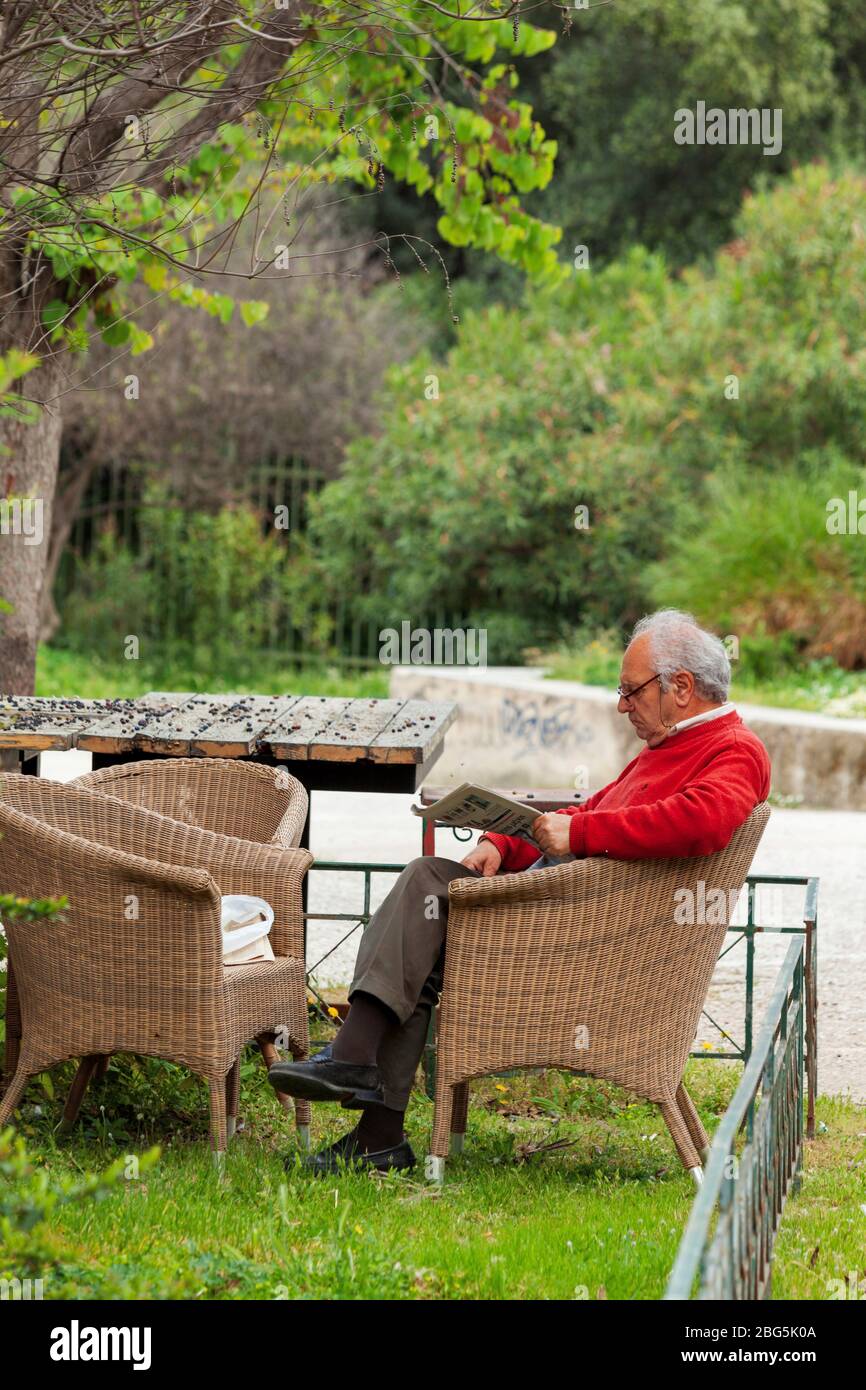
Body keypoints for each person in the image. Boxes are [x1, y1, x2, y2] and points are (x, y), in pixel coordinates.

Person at [268, 608, 771, 1173]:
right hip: (574, 918)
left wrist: (578, 831)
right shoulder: (670, 747)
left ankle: (354, 1063)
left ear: (681, 687)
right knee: (421, 933)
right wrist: (503, 846)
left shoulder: (734, 750)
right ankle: (377, 1133)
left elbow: (702, 821)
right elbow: (591, 812)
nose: (622, 705)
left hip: (595, 944)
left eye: (631, 691)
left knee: (426, 881)